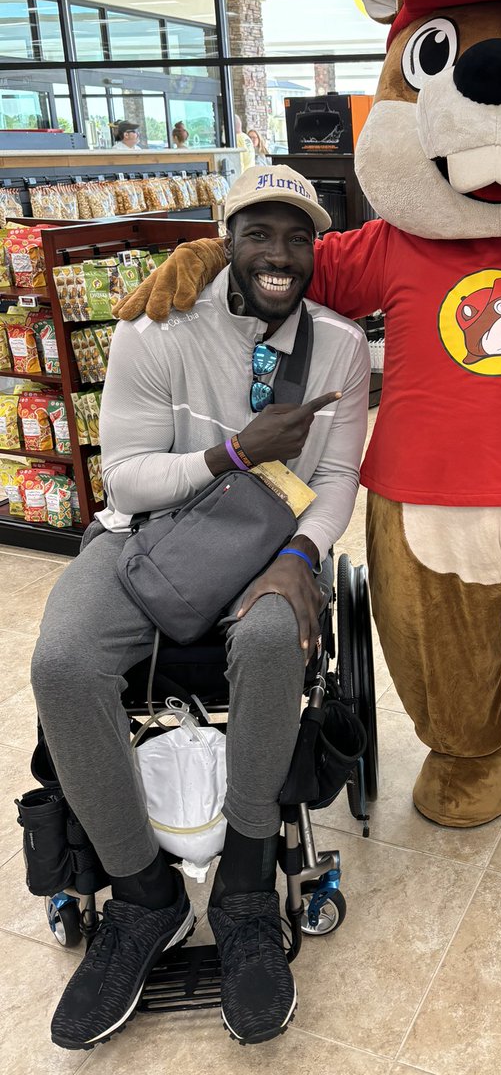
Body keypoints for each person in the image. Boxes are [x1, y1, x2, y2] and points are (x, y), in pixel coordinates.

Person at [30, 165, 371, 1049]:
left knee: (268, 645)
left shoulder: (338, 347)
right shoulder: (158, 328)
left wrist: (301, 555)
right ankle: (143, 900)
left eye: (299, 237)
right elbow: (126, 475)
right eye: (260, 232)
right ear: (228, 239)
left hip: (265, 546)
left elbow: (335, 479)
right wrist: (230, 454)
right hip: (143, 536)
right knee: (62, 663)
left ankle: (249, 885)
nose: (280, 254)